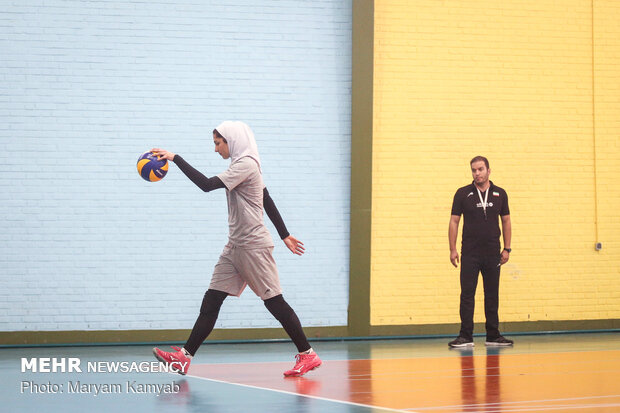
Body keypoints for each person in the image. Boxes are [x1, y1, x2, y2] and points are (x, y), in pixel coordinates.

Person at [150, 121, 322, 376]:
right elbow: (266, 198)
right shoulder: (240, 165)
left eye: (218, 143)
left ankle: (308, 354)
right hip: (235, 246)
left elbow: (207, 185)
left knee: (274, 302)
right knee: (212, 299)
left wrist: (176, 158)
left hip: (253, 246)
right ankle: (184, 357)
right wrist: (285, 234)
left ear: (232, 141)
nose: (216, 149)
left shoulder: (246, 165)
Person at [448, 156, 513, 348]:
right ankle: (465, 336)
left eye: (480, 169)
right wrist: (452, 249)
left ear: (489, 171)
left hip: (493, 253)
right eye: (474, 170)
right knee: (467, 294)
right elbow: (454, 221)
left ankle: (493, 335)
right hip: (469, 253)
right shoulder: (462, 193)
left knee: (492, 294)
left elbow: (506, 221)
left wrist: (507, 248)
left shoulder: (500, 194)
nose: (477, 173)